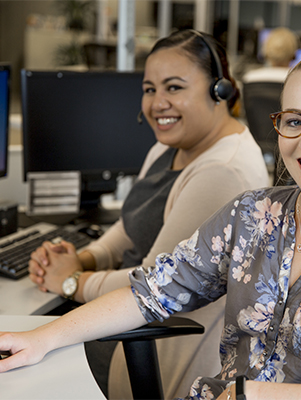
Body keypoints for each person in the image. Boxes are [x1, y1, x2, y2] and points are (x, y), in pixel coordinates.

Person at [0, 47, 301, 400]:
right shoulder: (252, 215)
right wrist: (41, 337)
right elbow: (150, 292)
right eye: (294, 121)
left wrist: (254, 395)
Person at [27, 29, 269, 398]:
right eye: (149, 89)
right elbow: (131, 225)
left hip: (160, 354)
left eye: (174, 87)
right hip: (123, 332)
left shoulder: (224, 171)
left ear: (219, 90)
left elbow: (156, 284)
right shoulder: (170, 146)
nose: (157, 103)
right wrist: (86, 257)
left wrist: (73, 282)